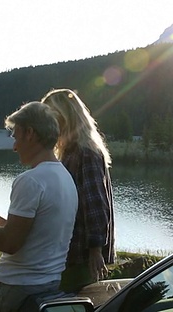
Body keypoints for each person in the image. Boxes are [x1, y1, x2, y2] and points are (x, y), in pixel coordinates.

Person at [0, 101, 78, 312]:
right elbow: (37, 235)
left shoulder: (31, 180)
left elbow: (10, 243)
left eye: (16, 136)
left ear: (30, 133)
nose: (14, 146)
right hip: (48, 285)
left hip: (12, 288)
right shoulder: (65, 178)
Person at [41, 88, 116, 293]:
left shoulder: (85, 151)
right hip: (70, 252)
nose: (47, 123)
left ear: (64, 117)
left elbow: (95, 205)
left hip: (81, 254)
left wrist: (95, 250)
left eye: (50, 116)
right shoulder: (70, 151)